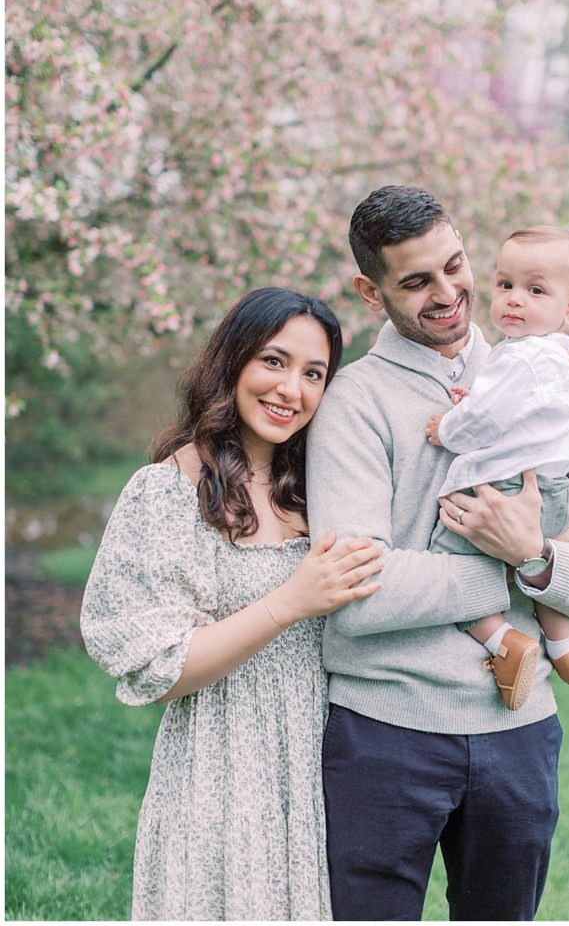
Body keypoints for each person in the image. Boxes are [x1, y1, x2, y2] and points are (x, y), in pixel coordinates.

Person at [306, 186, 569, 922]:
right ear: (371, 290)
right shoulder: (354, 402)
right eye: (416, 281)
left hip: (520, 737)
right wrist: (512, 563)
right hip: (383, 734)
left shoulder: (544, 381)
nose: (449, 293)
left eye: (455, 266)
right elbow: (361, 595)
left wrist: (540, 557)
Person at [80, 287, 383, 922]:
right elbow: (161, 669)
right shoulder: (168, 491)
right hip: (216, 770)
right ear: (233, 361)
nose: (290, 390)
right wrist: (290, 601)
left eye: (313, 374)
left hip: (322, 768)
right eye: (273, 361)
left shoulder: (326, 488)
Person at [425, 225, 569, 711]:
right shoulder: (555, 360)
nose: (514, 300)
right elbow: (511, 412)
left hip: (507, 487)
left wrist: (447, 427)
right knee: (545, 572)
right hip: (559, 491)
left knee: (452, 562)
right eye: (505, 285)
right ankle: (564, 649)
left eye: (535, 290)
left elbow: (481, 419)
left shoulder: (514, 358)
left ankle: (503, 641)